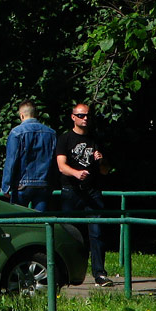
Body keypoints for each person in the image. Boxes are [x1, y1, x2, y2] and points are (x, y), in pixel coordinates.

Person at [56, 102, 113, 287]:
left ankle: (100, 274)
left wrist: (102, 160)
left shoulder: (95, 139)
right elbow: (61, 166)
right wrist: (76, 173)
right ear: (73, 117)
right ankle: (65, 272)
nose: (85, 118)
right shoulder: (65, 139)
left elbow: (105, 171)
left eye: (87, 115)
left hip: (93, 191)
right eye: (81, 115)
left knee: (97, 233)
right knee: (68, 232)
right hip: (71, 191)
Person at [1, 100, 57, 211]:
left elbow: (11, 161)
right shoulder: (51, 133)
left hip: (22, 184)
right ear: (36, 114)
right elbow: (54, 162)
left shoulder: (16, 132)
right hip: (44, 184)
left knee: (19, 223)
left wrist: (5, 187)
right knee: (41, 223)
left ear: (21, 115)